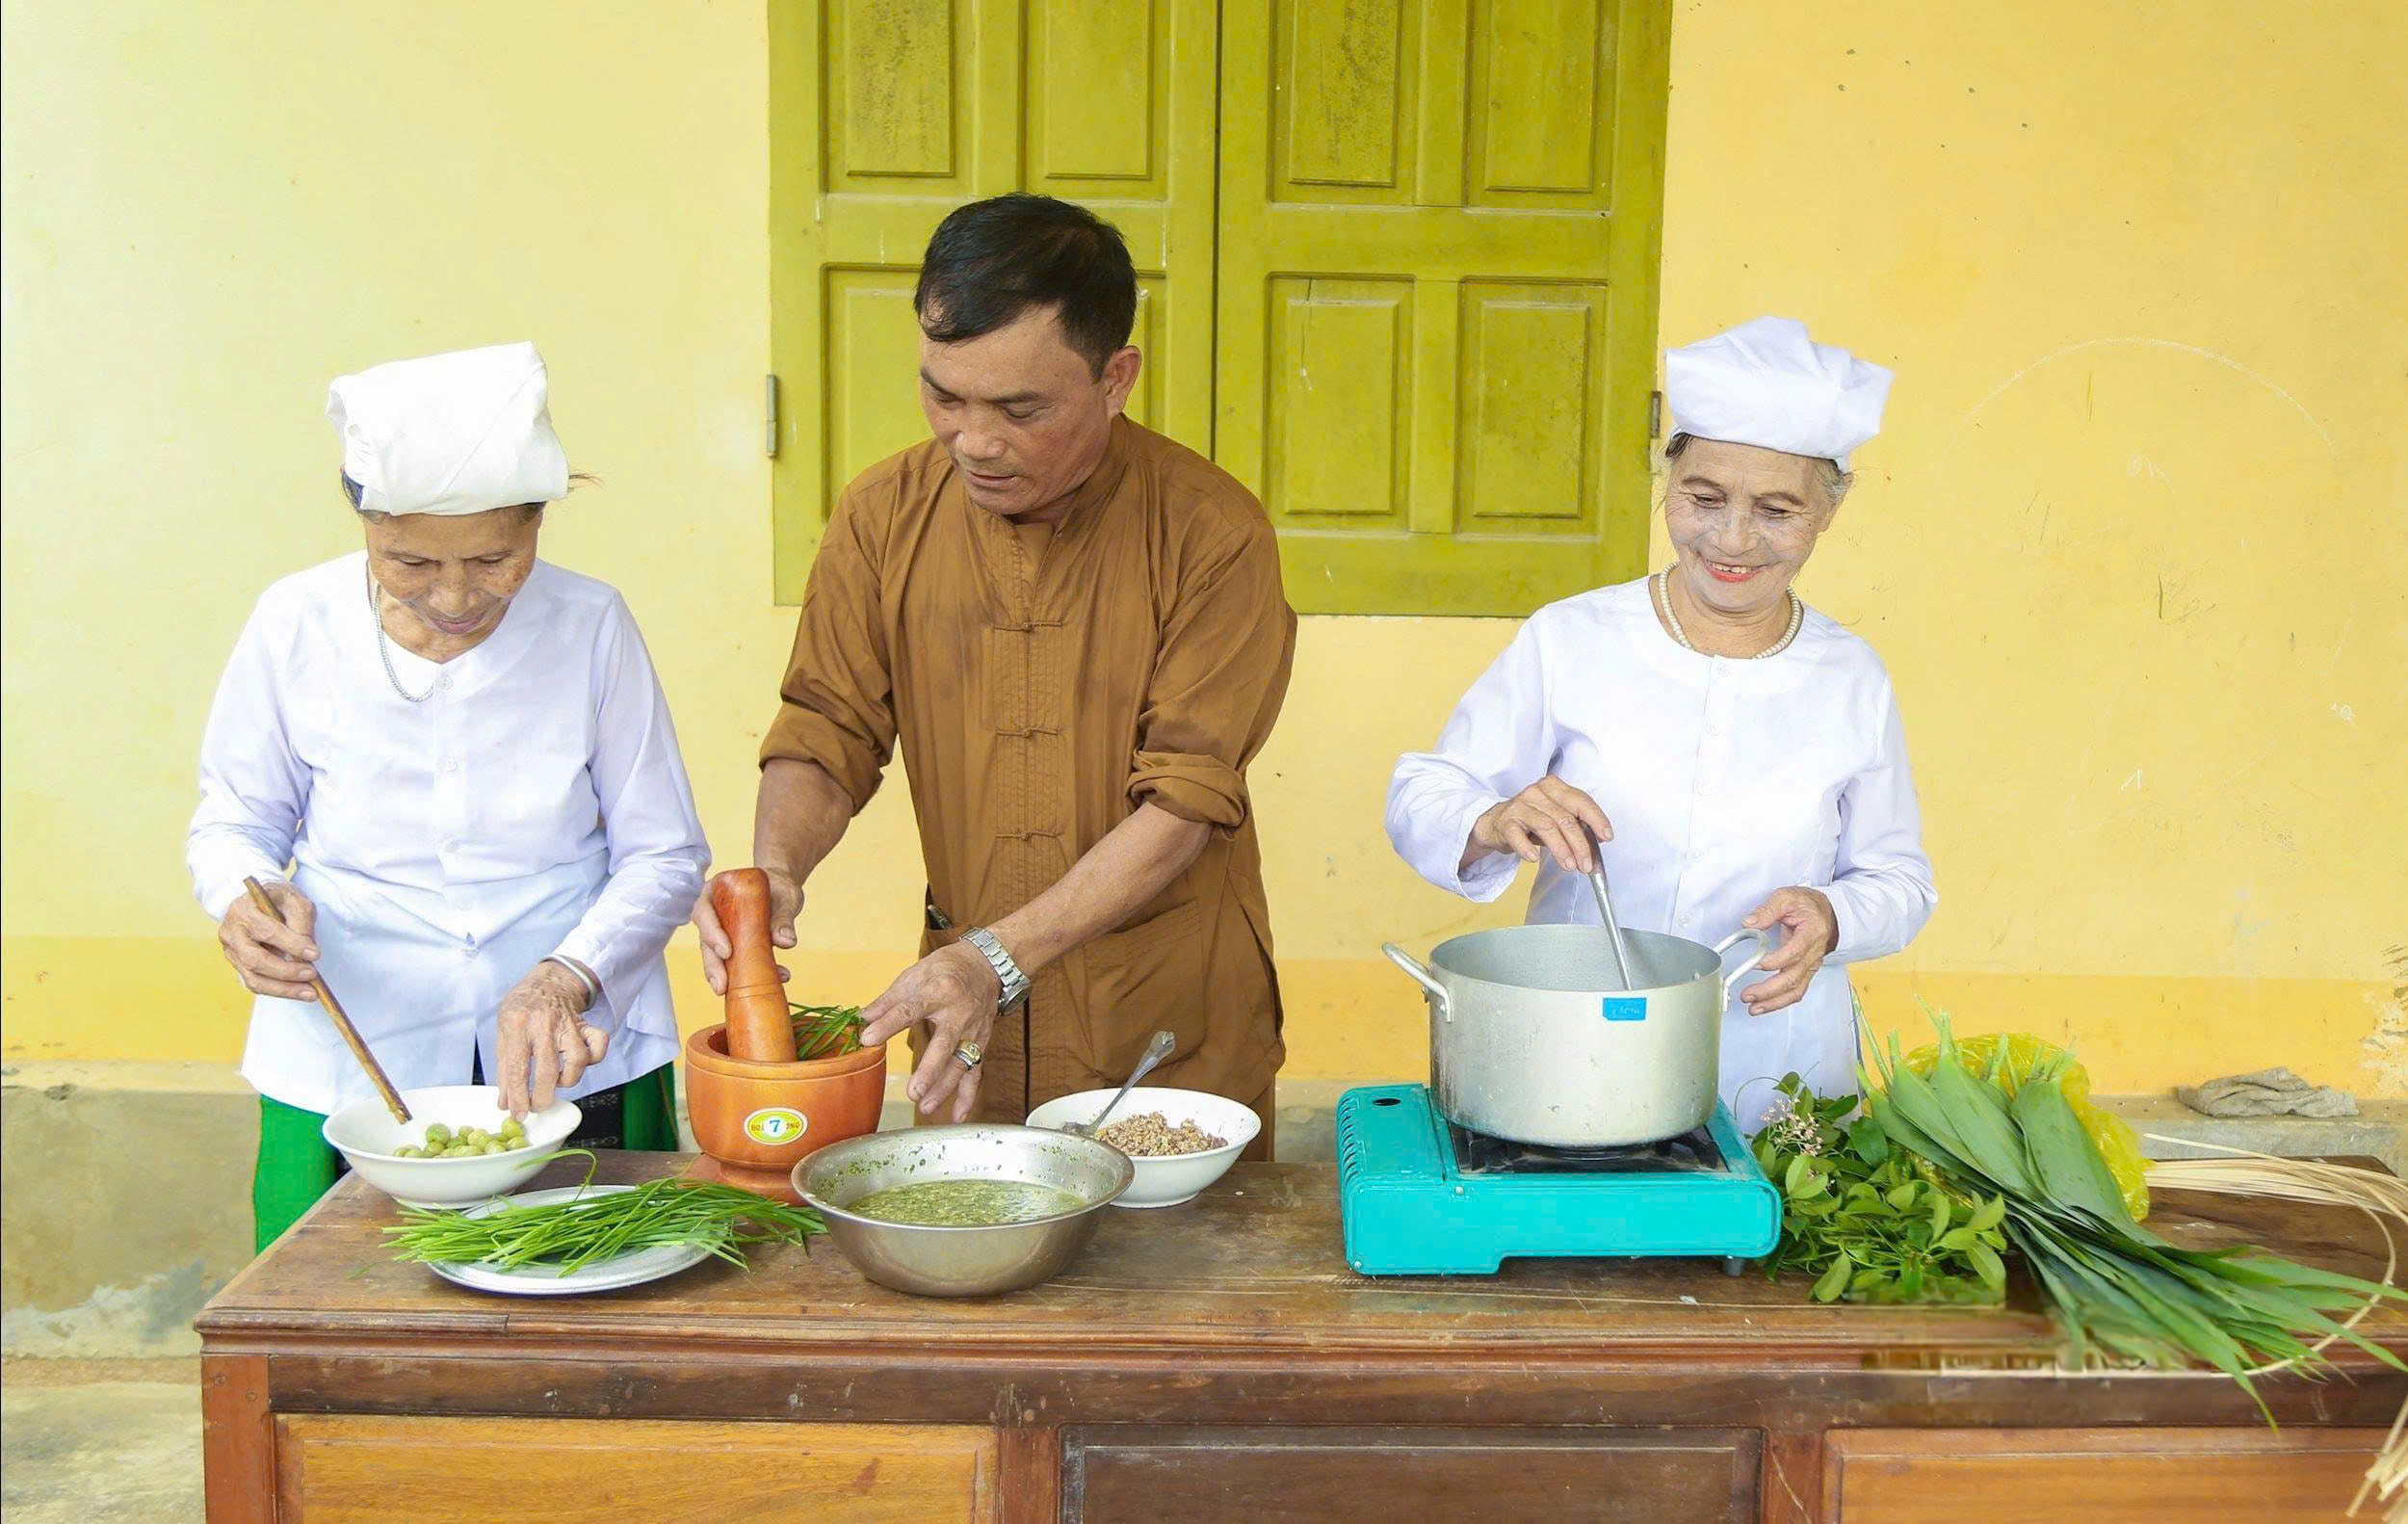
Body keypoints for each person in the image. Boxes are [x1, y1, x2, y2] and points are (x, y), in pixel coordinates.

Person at [693, 194, 1295, 1153]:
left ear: (1115, 378)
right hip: (968, 1035)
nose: (973, 440)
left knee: (1182, 1252)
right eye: (945, 397)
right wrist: (776, 868)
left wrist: (997, 961)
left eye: (1020, 410)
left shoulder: (1211, 535)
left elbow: (1185, 800)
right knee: (967, 1235)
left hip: (1164, 1031)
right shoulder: (881, 517)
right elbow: (827, 730)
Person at [190, 342, 710, 1249]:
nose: (457, 594)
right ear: (364, 524)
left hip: (567, 1039)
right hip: (355, 1028)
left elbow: (664, 853)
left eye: (495, 558)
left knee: (587, 1284)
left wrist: (568, 975)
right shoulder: (294, 622)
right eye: (410, 562)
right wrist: (246, 898)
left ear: (539, 520)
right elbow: (235, 820)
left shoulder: (591, 624)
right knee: (338, 1297)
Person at [1385, 317, 1937, 1129]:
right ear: (1667, 481)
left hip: (1775, 1062)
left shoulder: (1851, 676)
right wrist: (1492, 819)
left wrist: (1832, 918)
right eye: (1703, 498)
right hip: (1575, 1052)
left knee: (1768, 1209)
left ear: (1828, 512)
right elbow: (1425, 791)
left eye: (1777, 509)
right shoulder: (1572, 638)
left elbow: (1899, 880)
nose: (1733, 538)